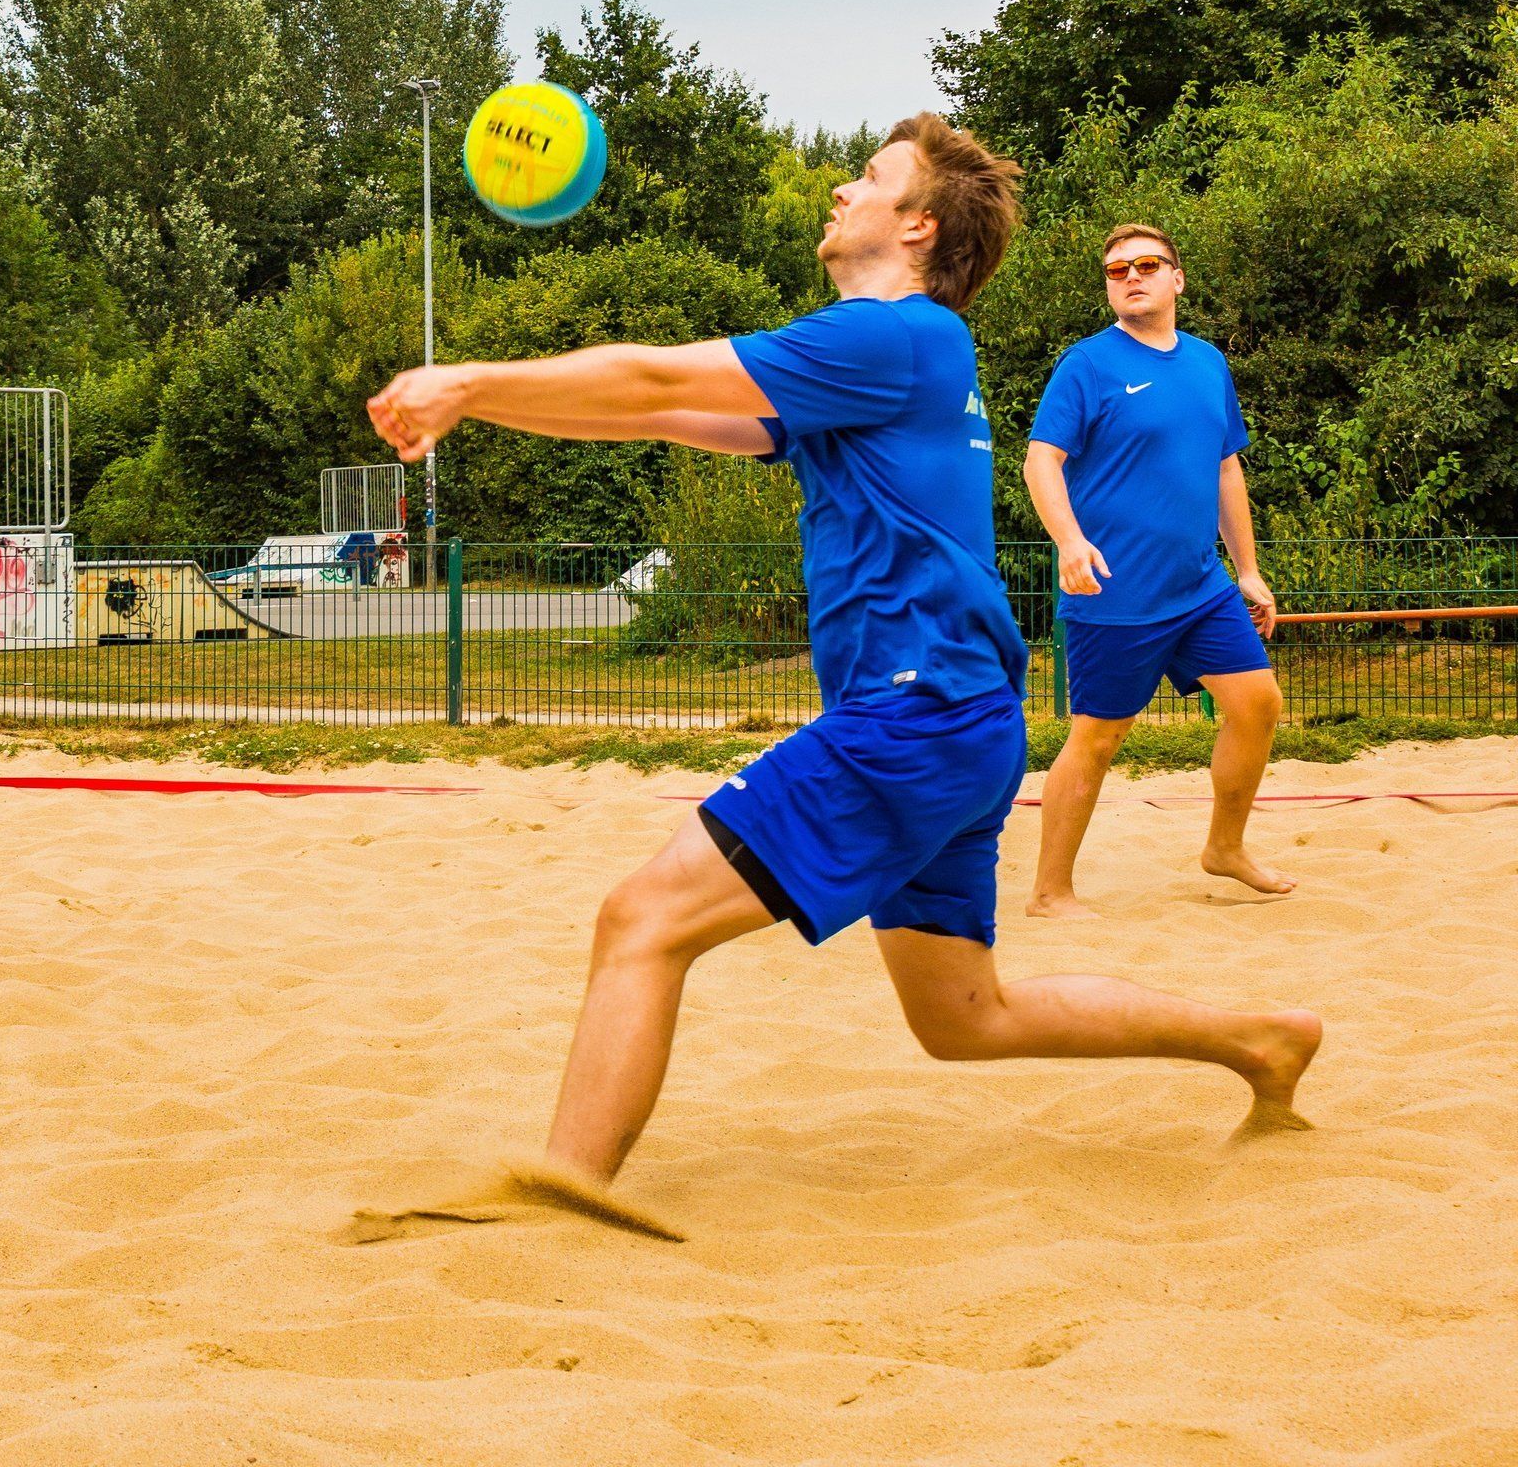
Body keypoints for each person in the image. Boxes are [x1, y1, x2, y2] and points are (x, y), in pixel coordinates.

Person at [366, 118, 1319, 1225]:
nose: (839, 188)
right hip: (959, 718)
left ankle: (561, 1193)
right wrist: (476, 403)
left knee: (642, 921)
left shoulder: (893, 336)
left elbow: (650, 374)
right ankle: (1260, 1040)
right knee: (966, 1020)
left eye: (868, 177)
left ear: (919, 226)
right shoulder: (888, 361)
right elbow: (662, 413)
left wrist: (467, 376)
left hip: (916, 715)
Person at [1023, 224, 1287, 920]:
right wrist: (1070, 542)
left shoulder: (1207, 363)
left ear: (1177, 278)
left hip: (1200, 587)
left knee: (1257, 704)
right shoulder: (1087, 364)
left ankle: (1224, 848)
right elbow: (1041, 460)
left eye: (1146, 264)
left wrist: (1248, 570)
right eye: (1116, 270)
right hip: (1115, 592)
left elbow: (1226, 468)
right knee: (1098, 738)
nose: (1131, 277)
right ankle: (1050, 893)